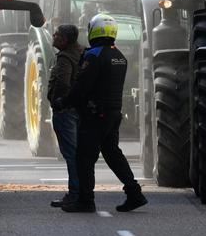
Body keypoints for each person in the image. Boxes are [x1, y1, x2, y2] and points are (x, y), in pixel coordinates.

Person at [58, 13, 147, 213]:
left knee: (84, 157)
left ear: (93, 30)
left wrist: (64, 101)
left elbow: (82, 86)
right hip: (113, 113)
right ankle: (134, 193)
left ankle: (86, 201)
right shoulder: (119, 56)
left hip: (95, 115)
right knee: (113, 154)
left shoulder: (94, 55)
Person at [48, 24, 84, 208]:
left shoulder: (64, 57)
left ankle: (75, 194)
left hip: (66, 111)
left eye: (57, 34)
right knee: (78, 153)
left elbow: (62, 82)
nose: (53, 36)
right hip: (80, 109)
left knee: (71, 154)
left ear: (65, 40)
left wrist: (59, 102)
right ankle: (81, 193)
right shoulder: (82, 52)